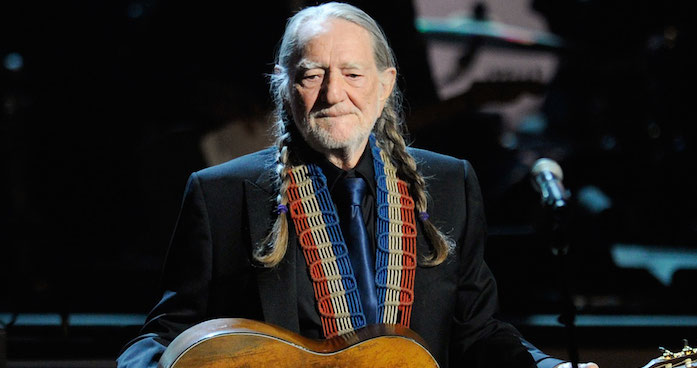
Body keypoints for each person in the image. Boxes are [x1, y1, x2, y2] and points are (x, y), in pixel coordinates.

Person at [117, 3, 598, 367]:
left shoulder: (451, 184)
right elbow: (162, 338)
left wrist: (548, 366)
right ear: (284, 87)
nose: (333, 94)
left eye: (352, 74)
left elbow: (479, 332)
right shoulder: (221, 193)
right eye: (312, 75)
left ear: (385, 84)